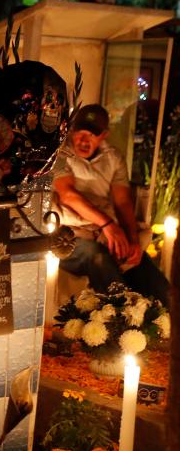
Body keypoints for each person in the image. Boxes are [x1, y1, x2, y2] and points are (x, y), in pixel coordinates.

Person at [52, 104, 169, 305]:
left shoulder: (113, 158)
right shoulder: (61, 154)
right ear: (72, 130)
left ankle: (168, 317)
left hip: (104, 234)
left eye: (92, 134)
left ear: (104, 135)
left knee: (144, 269)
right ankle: (123, 317)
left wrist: (131, 239)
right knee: (96, 257)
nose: (84, 140)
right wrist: (109, 225)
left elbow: (123, 201)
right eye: (80, 133)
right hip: (69, 235)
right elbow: (67, 195)